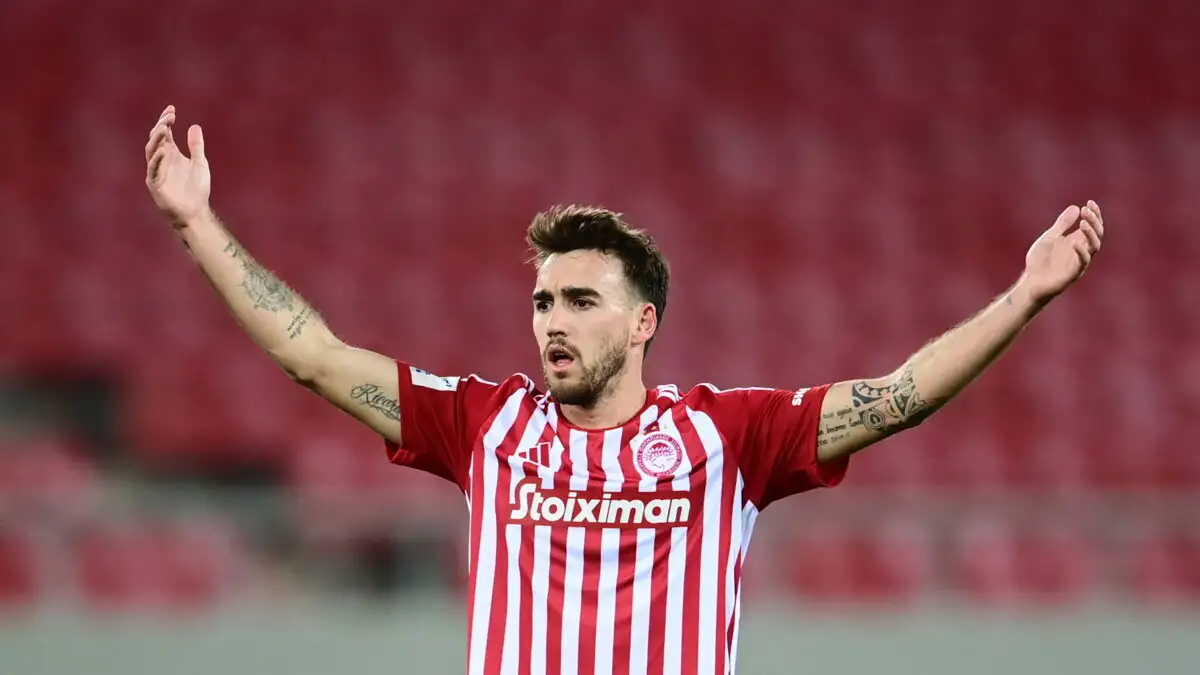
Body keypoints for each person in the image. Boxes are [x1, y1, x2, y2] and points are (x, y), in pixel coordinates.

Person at [144, 105, 1105, 675]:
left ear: (642, 321)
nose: (551, 321)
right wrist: (196, 224)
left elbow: (897, 396)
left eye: (580, 301)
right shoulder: (485, 424)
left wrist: (1023, 297)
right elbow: (314, 355)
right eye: (541, 301)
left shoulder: (728, 437)